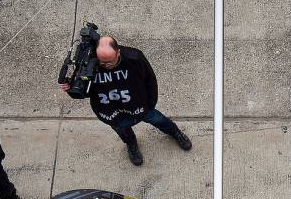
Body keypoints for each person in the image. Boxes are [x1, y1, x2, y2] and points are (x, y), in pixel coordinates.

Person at [59, 34, 192, 166]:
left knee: (157, 119)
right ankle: (131, 145)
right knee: (123, 131)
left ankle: (174, 132)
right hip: (110, 110)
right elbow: (83, 92)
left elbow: (150, 80)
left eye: (110, 61)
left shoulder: (135, 58)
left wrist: (150, 103)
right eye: (102, 62)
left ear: (118, 52)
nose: (106, 65)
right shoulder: (87, 64)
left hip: (139, 105)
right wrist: (70, 88)